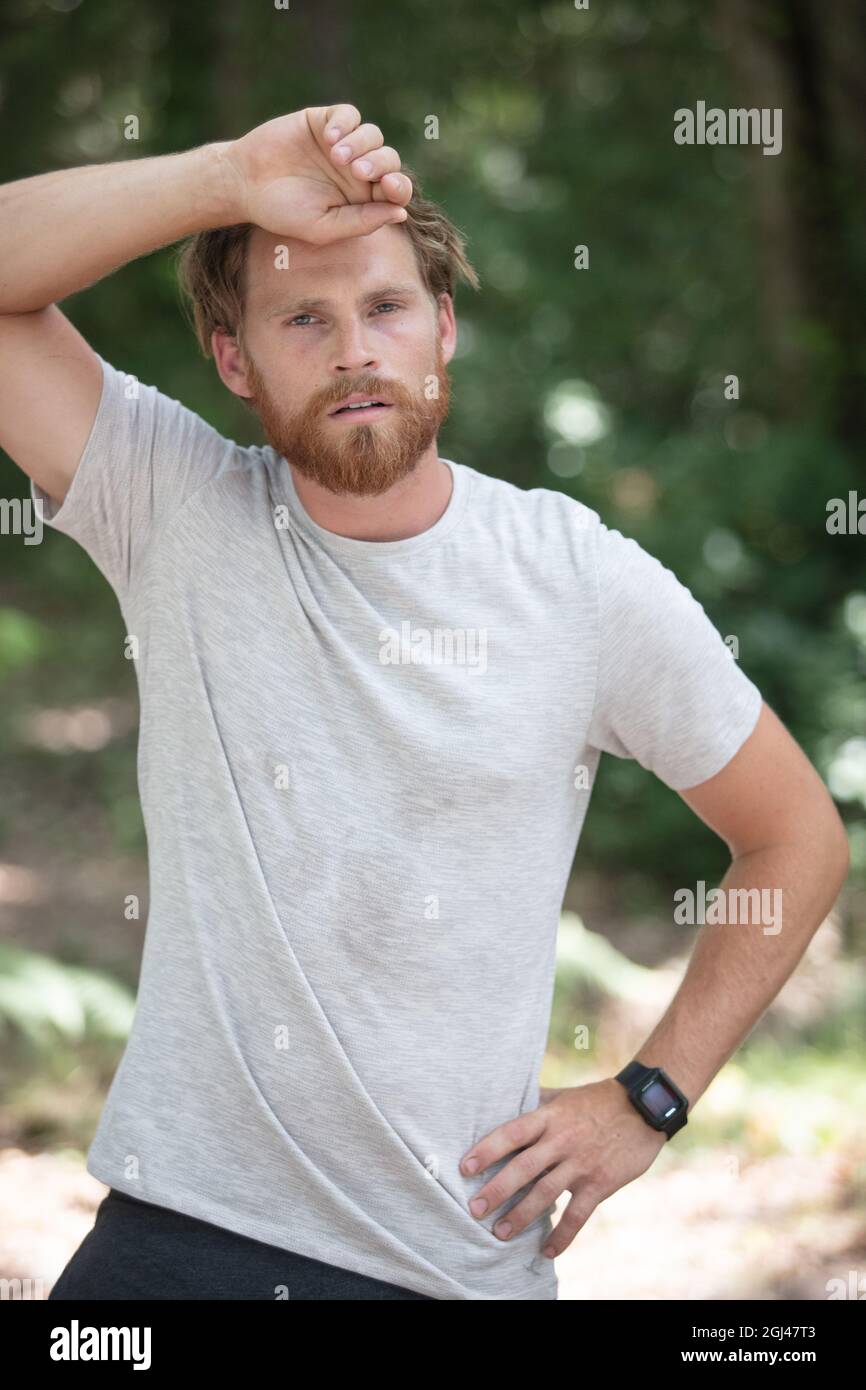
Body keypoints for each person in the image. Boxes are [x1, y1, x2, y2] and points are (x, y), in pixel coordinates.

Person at [0, 104, 848, 1301]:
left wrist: (647, 1098)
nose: (354, 350)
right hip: (178, 1239)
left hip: (450, 1263)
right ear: (234, 357)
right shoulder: (170, 505)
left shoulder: (575, 577)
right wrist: (229, 178)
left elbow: (795, 835)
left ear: (441, 330)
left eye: (386, 309)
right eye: (303, 317)